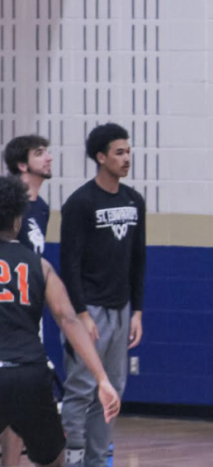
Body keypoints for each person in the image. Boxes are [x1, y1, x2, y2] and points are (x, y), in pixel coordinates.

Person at [0, 175, 121, 467]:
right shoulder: (40, 265)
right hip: (29, 372)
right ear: (18, 220)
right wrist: (102, 379)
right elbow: (69, 320)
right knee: (54, 459)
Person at [58, 124, 146, 467]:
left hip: (121, 308)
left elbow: (139, 260)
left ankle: (97, 460)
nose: (127, 158)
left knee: (112, 391)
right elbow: (70, 264)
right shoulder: (80, 203)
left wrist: (137, 310)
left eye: (128, 151)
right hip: (89, 310)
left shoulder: (134, 200)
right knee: (81, 389)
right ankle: (74, 459)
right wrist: (80, 313)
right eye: (119, 152)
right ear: (100, 157)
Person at [1, 135, 53, 466]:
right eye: (39, 153)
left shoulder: (42, 208)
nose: (49, 157)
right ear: (22, 165)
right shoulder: (8, 208)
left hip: (30, 314)